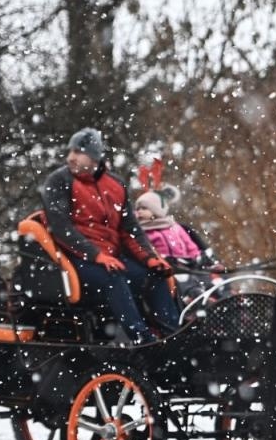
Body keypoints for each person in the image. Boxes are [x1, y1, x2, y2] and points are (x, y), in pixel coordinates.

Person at [40, 128, 180, 345]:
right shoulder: (59, 180)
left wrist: (149, 258)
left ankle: (174, 336)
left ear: (95, 156)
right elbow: (61, 228)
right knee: (113, 278)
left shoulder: (116, 185)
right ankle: (143, 340)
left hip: (111, 258)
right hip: (76, 260)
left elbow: (130, 229)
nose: (71, 158)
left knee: (154, 276)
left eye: (78, 152)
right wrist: (95, 255)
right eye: (70, 151)